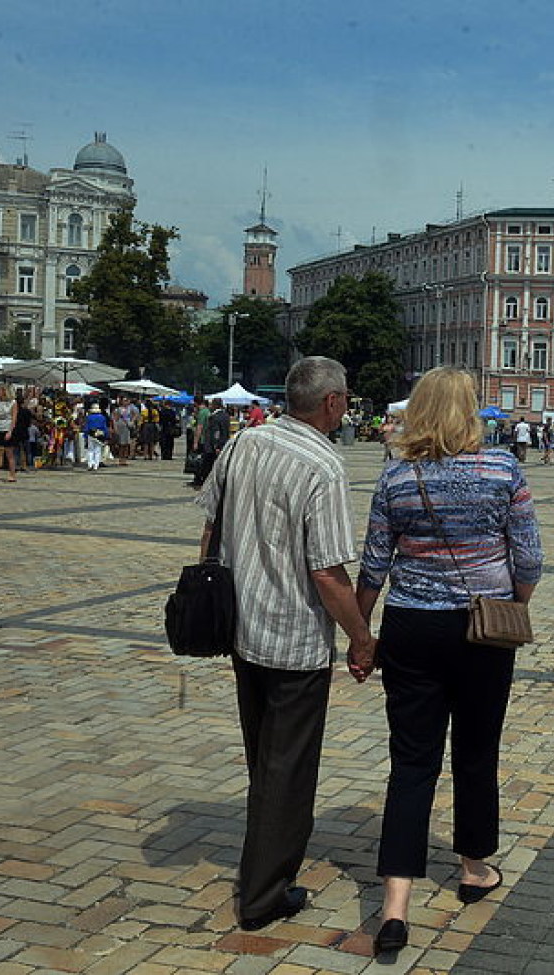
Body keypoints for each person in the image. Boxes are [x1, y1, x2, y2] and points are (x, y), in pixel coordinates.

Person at [354, 367, 542, 957]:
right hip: (484, 629)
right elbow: (530, 559)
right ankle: (473, 867)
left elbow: (373, 566)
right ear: (470, 411)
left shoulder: (396, 476)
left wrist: (362, 635)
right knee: (478, 750)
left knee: (411, 763)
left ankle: (395, 906)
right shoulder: (504, 470)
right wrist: (511, 603)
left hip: (411, 626)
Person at [196, 356, 374, 932]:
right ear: (332, 403)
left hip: (241, 629)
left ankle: (263, 863)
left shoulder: (244, 443)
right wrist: (362, 636)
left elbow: (210, 528)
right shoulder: (323, 464)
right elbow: (327, 571)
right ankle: (264, 894)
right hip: (294, 637)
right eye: (345, 397)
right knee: (289, 769)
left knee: (264, 759)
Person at [192, 399, 230, 489]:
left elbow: (216, 432)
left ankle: (208, 485)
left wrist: (216, 445)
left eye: (211, 404)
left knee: (208, 465)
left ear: (215, 405)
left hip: (212, 446)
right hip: (224, 442)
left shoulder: (214, 417)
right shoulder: (226, 415)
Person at [82, 404, 110, 471]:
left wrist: (85, 435)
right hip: (100, 434)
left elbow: (87, 427)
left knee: (90, 450)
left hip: (90, 434)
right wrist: (106, 435)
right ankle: (96, 466)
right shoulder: (102, 417)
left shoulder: (89, 417)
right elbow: (105, 427)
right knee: (98, 450)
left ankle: (90, 464)